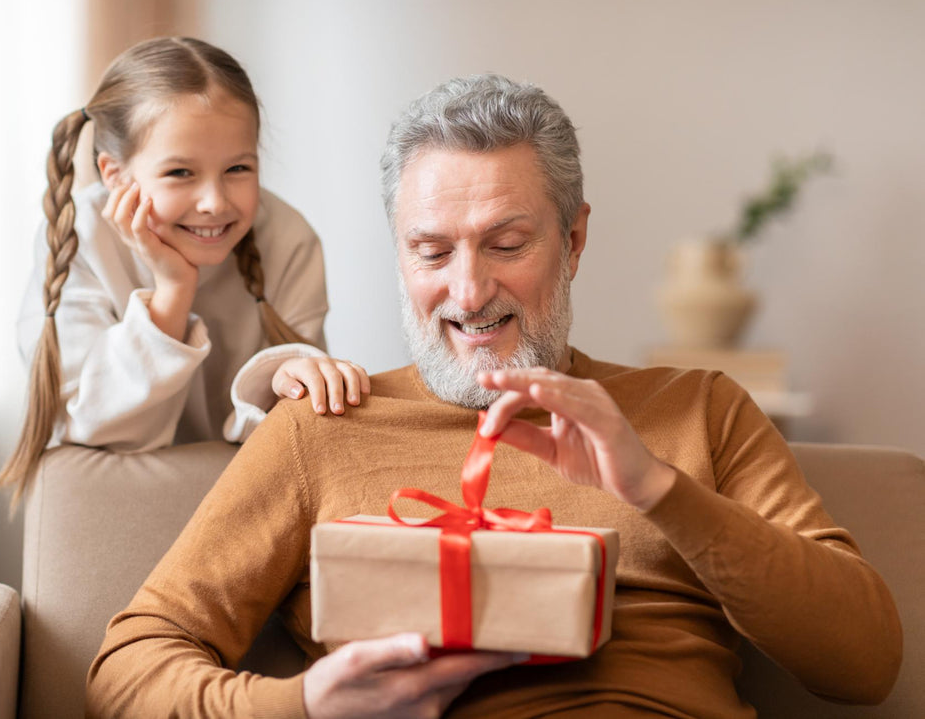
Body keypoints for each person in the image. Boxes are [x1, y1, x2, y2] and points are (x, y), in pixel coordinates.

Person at [84, 74, 902, 718]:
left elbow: (865, 663)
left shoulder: (701, 409)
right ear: (399, 256)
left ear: (573, 239)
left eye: (508, 244)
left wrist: (654, 486)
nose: (469, 292)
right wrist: (302, 705)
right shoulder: (322, 426)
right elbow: (128, 669)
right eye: (432, 251)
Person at [0, 37, 369, 504]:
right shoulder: (79, 239)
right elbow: (98, 429)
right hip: (113, 506)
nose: (214, 202)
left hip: (251, 500)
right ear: (115, 175)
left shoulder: (288, 240)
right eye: (180, 173)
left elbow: (299, 429)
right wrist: (172, 290)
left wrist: (284, 381)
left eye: (237, 168)